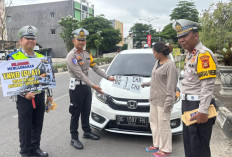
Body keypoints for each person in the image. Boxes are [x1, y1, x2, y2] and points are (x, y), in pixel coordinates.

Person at [172, 19, 217, 157]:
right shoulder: (190, 54)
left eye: (185, 36)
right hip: (188, 104)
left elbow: (207, 85)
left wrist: (203, 111)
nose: (181, 40)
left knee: (199, 148)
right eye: (179, 37)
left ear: (196, 35)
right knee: (190, 145)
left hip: (198, 105)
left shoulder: (203, 54)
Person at [7, 26, 53, 157]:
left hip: (39, 96)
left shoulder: (41, 56)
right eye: (27, 38)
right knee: (25, 126)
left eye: (33, 38)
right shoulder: (13, 58)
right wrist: (24, 93)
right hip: (24, 99)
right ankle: (25, 152)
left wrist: (49, 95)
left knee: (38, 124)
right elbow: (11, 81)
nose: (31, 41)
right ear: (21, 40)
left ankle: (35, 148)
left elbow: (47, 77)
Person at [66, 28, 115, 150]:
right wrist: (93, 85)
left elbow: (96, 68)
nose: (81, 42)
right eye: (79, 40)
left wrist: (108, 77)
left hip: (86, 88)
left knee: (86, 111)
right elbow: (79, 74)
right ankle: (74, 138)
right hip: (76, 88)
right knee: (75, 113)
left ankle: (86, 132)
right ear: (73, 40)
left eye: (83, 40)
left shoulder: (87, 54)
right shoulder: (71, 56)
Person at [141, 42, 178, 157]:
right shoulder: (157, 63)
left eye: (154, 52)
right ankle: (157, 144)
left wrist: (168, 103)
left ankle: (166, 149)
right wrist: (146, 84)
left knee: (164, 125)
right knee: (154, 123)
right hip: (154, 99)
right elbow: (155, 79)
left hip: (164, 101)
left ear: (160, 53)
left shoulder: (170, 65)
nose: (153, 55)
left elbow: (172, 86)